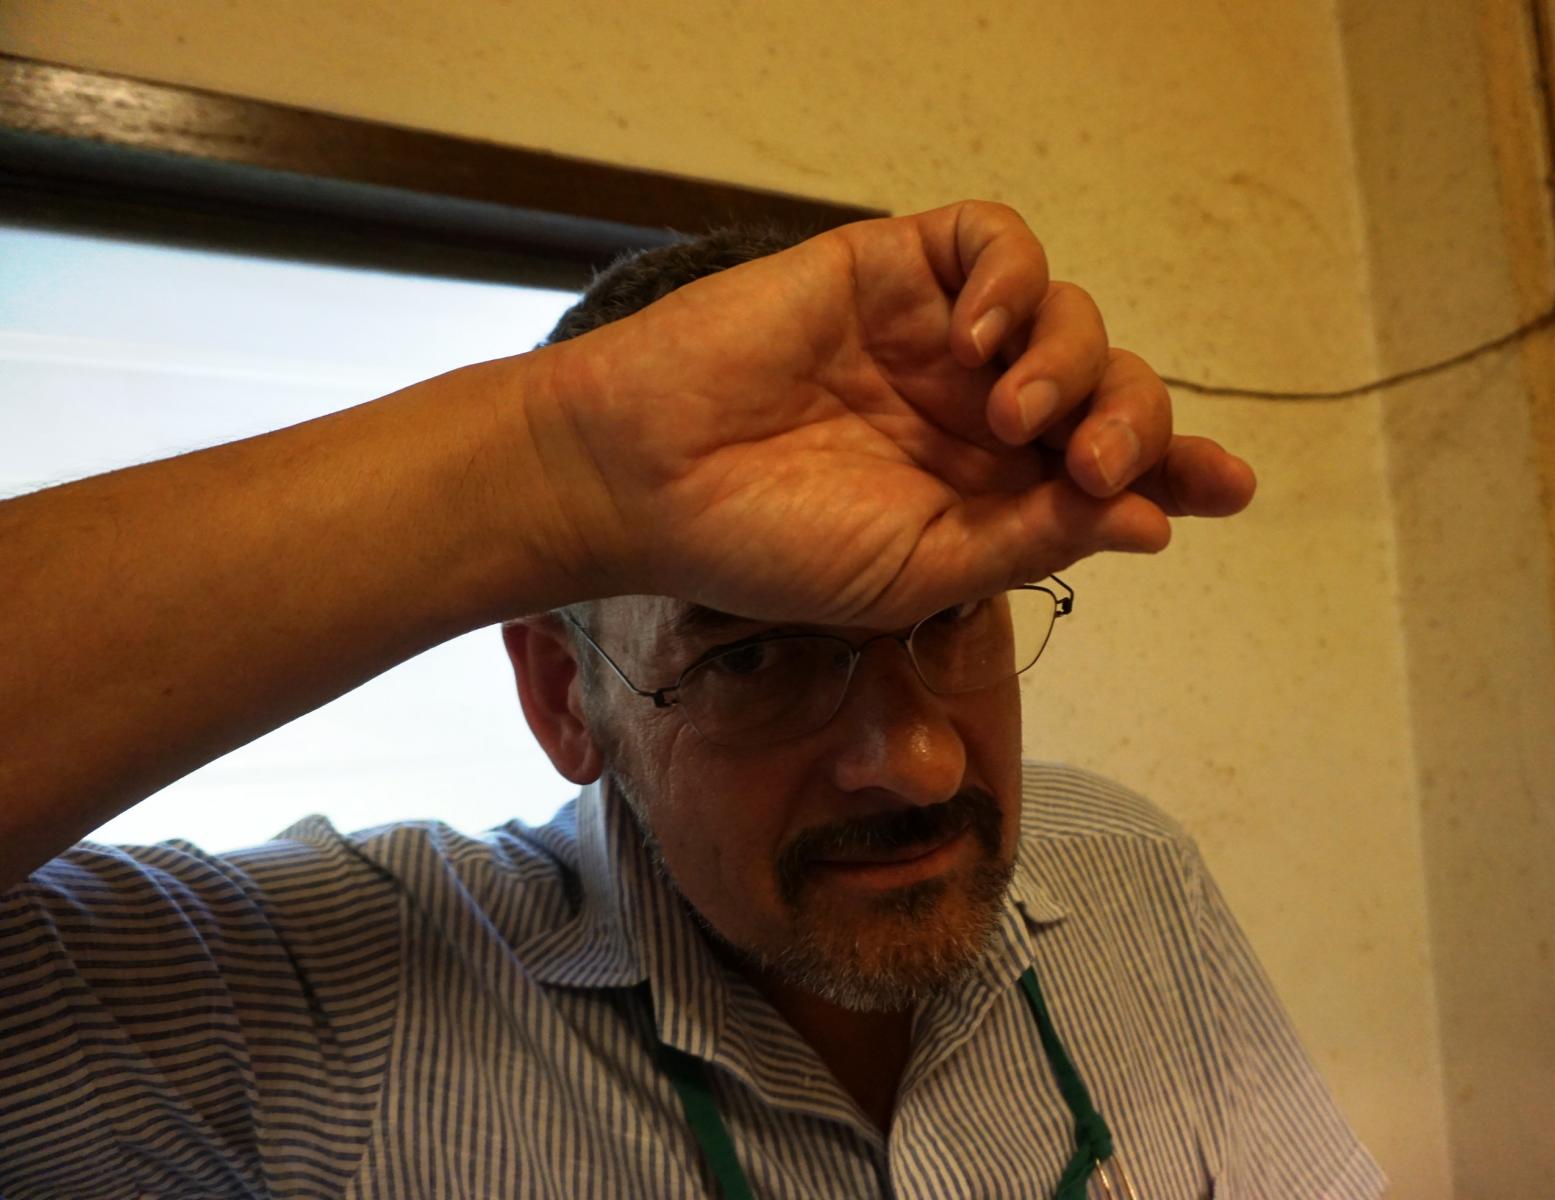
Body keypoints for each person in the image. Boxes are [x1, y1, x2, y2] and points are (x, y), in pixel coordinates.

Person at [0, 201, 1384, 1198]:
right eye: (753, 659)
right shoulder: (338, 1005)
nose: (915, 762)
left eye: (953, 617)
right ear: (564, 697)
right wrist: (540, 457)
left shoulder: (1127, 870)